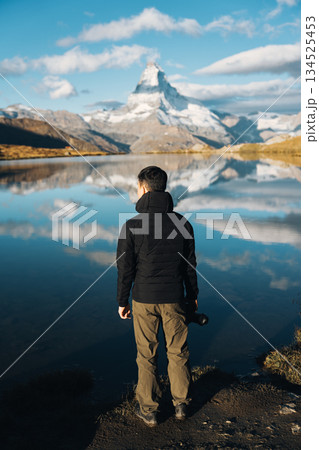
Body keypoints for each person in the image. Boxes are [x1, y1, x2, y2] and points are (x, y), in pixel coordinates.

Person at [116, 166, 199, 427]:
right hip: (175, 296)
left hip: (143, 298)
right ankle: (181, 405)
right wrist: (192, 296)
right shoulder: (183, 223)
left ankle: (149, 410)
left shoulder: (131, 225)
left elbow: (125, 268)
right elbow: (189, 266)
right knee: (178, 351)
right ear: (164, 188)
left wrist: (122, 300)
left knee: (147, 355)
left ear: (143, 188)